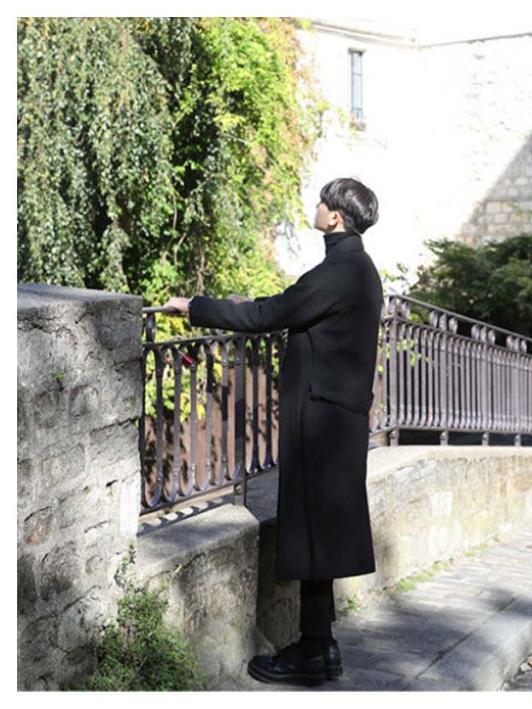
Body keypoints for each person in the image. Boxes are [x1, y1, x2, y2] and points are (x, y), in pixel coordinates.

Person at [163, 177, 382, 686]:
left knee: (313, 530)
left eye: (322, 202)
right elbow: (294, 305)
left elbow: (272, 313)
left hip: (322, 422)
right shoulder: (358, 268)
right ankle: (320, 644)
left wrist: (196, 306)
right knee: (320, 531)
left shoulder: (338, 271)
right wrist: (251, 303)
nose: (316, 206)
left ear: (335, 217)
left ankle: (313, 651)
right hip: (338, 417)